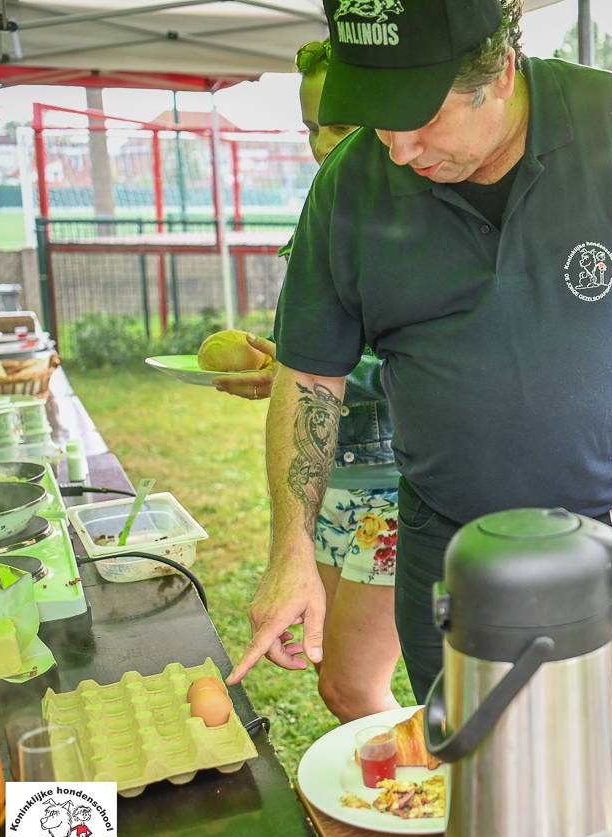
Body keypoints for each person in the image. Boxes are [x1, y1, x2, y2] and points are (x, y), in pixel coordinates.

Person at [227, 0, 612, 703]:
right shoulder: (351, 181)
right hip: (447, 548)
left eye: (421, 117)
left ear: (500, 72)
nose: (398, 150)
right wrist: (291, 551)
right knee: (470, 775)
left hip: (610, 531)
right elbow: (312, 371)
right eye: (380, 120)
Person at [215, 39, 402, 723]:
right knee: (336, 684)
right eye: (310, 125)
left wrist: (322, 376)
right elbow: (324, 354)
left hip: (395, 485)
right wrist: (289, 373)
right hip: (334, 483)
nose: (324, 144)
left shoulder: (418, 218)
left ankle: (427, 812)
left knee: (353, 688)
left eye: (341, 123)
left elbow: (436, 368)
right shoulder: (332, 208)